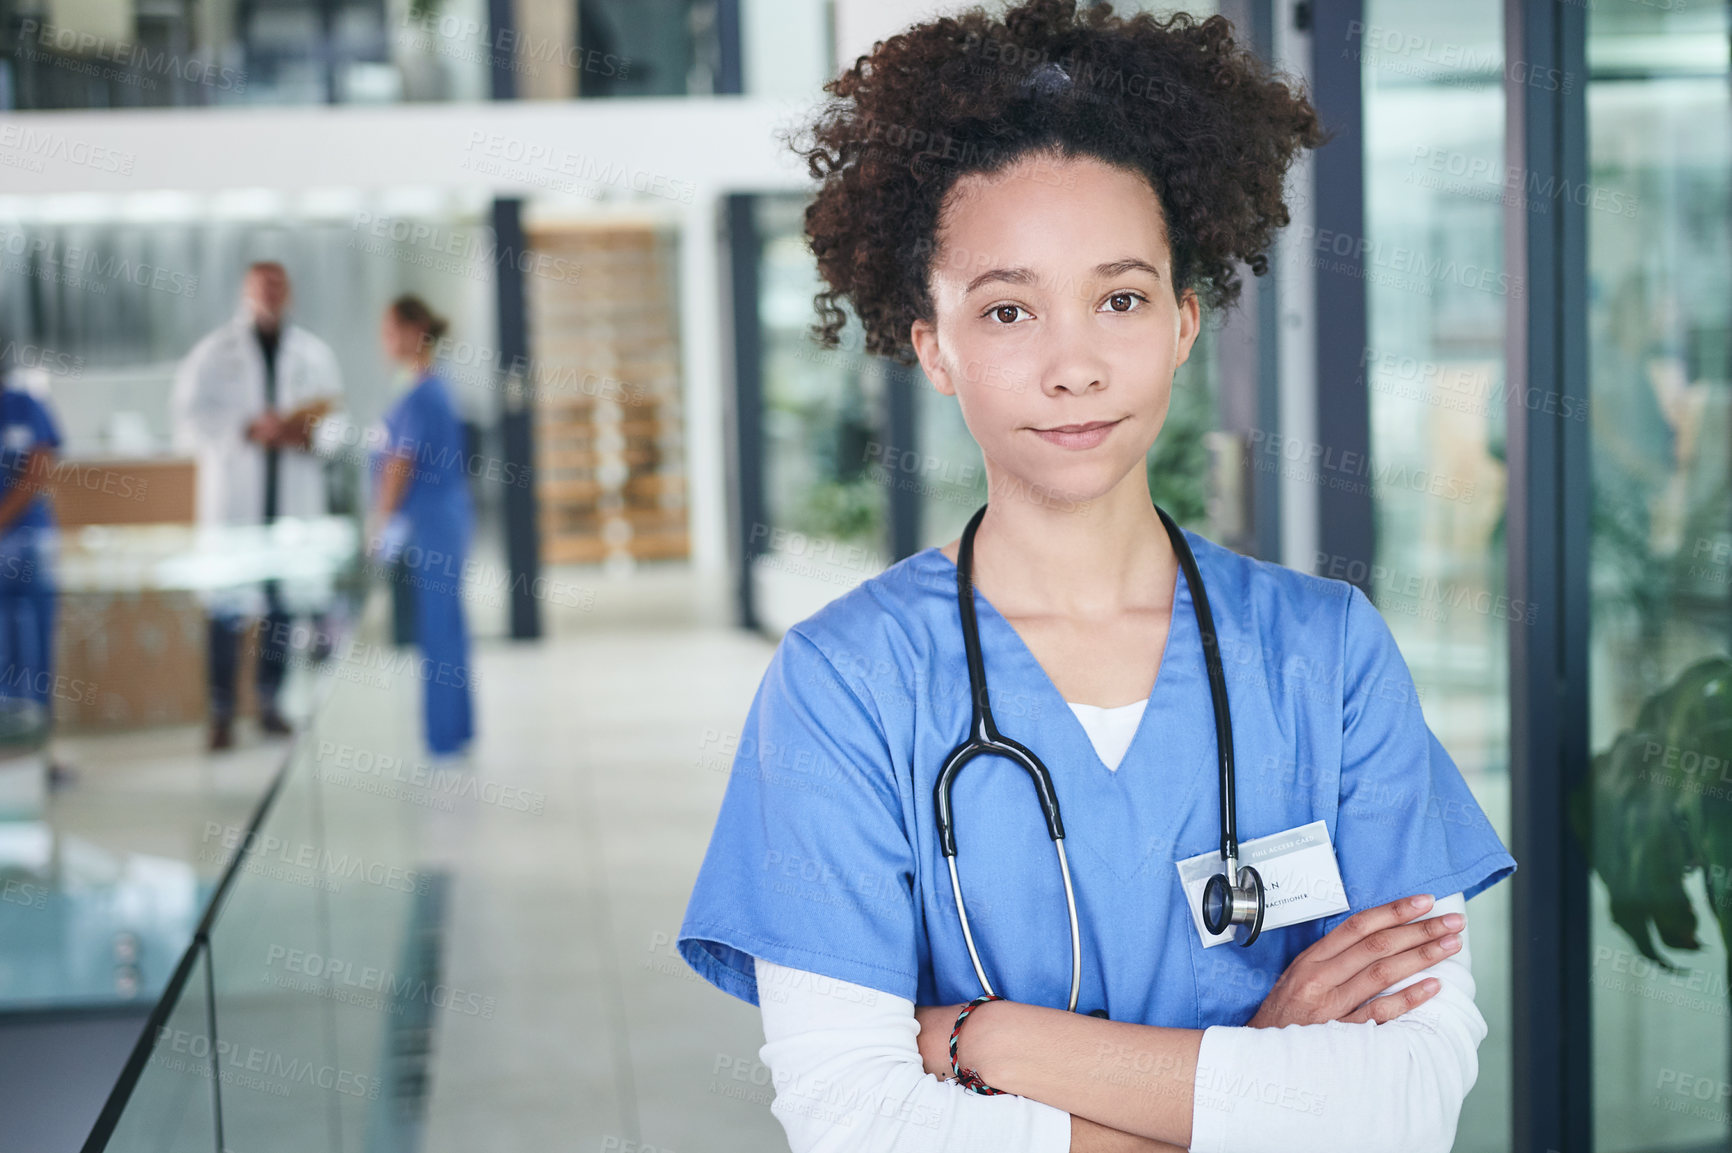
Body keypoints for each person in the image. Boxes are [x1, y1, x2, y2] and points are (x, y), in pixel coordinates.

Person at [677, 4, 1518, 1153]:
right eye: (1008, 309)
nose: (1072, 365)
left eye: (1119, 298)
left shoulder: (1326, 653)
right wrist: (1258, 1085)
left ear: (1183, 321)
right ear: (933, 346)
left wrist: (988, 1038)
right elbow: (854, 1120)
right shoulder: (844, 686)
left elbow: (1406, 1102)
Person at [172, 261, 344, 751]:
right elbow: (188, 422)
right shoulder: (213, 353)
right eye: (261, 287)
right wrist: (246, 430)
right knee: (227, 610)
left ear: (288, 292)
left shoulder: (312, 354)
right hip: (236, 505)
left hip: (288, 503)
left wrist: (302, 433)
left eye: (278, 286)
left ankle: (271, 704)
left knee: (282, 611)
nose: (270, 295)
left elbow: (336, 426)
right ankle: (222, 713)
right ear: (247, 292)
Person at [367, 295, 473, 758]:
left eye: (391, 331)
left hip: (430, 524)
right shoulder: (429, 387)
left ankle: (444, 736)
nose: (385, 342)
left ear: (414, 332)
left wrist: (380, 524)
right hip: (444, 519)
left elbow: (399, 464)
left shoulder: (420, 393)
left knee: (438, 630)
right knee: (447, 626)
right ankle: (456, 729)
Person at [0, 359, 64, 780]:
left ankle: (37, 759)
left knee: (33, 655)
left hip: (27, 548)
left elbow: (41, 463)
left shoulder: (23, 403)